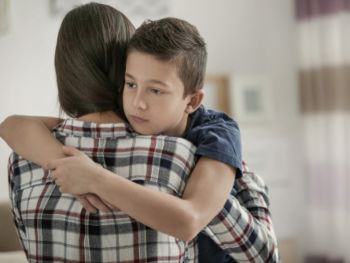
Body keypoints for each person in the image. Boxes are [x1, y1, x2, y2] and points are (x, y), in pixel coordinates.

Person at [1, 11, 280, 263]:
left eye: (156, 90)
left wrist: (96, 178)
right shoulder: (148, 131)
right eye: (130, 83)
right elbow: (11, 125)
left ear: (192, 100)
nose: (138, 102)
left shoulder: (211, 138)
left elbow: (193, 219)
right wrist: (63, 163)